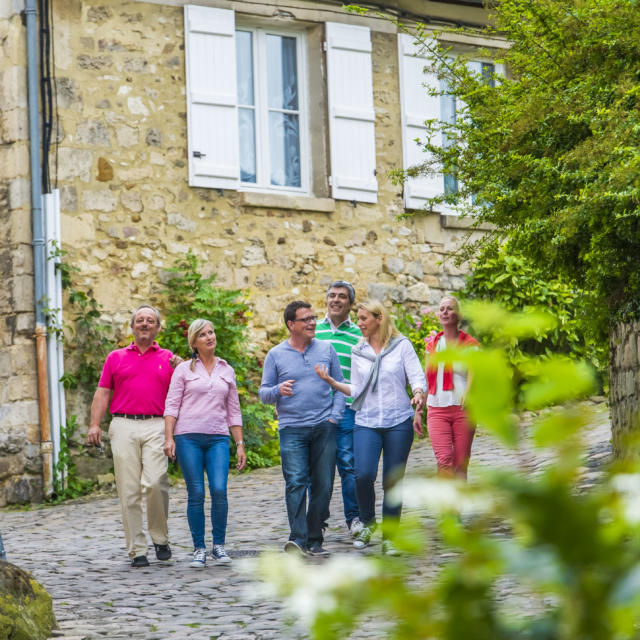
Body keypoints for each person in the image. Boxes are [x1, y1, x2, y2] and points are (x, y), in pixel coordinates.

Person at [315, 300, 426, 555]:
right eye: (360, 318)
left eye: (364, 318)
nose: (360, 323)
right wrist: (332, 381)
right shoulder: (358, 351)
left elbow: (416, 377)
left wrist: (418, 393)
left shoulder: (401, 346)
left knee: (392, 481)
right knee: (362, 475)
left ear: (379, 318)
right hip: (366, 421)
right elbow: (356, 389)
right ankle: (367, 523)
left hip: (398, 420)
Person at [87, 305, 178, 568]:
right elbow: (103, 392)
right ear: (132, 326)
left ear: (158, 327)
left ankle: (160, 538)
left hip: (156, 424)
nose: (145, 324)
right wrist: (95, 424)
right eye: (140, 320)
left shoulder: (168, 358)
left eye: (151, 321)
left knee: (155, 482)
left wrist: (184, 368)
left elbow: (183, 392)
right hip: (123, 424)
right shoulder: (115, 357)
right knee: (128, 489)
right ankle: (137, 549)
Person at [259, 301, 346, 556]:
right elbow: (263, 393)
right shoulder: (276, 355)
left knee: (324, 484)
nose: (312, 323)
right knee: (296, 481)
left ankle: (315, 536)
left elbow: (339, 385)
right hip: (292, 429)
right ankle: (297, 539)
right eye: (306, 319)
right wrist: (278, 391)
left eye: (313, 318)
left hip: (324, 426)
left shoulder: (326, 349)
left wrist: (335, 417)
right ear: (291, 325)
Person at [163, 319, 246, 569]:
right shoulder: (183, 370)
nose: (209, 337)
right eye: (203, 334)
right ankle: (199, 548)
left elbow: (234, 410)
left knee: (219, 489)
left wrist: (239, 443)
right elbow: (171, 405)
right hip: (188, 437)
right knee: (196, 493)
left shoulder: (226, 369)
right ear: (194, 342)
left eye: (211, 332)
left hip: (218, 438)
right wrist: (169, 438)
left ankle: (218, 545)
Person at [315, 280, 363, 538]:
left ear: (350, 303)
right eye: (332, 295)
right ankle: (317, 522)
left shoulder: (359, 335)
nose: (336, 300)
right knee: (319, 470)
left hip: (347, 409)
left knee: (348, 465)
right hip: (318, 411)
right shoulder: (313, 331)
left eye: (342, 296)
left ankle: (354, 518)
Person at [416, 295, 479, 480]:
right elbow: (428, 379)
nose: (445, 312)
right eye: (442, 308)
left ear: (458, 315)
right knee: (444, 462)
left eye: (449, 308)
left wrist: (468, 393)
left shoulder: (470, 345)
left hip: (463, 410)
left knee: (460, 463)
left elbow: (473, 373)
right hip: (437, 410)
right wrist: (419, 411)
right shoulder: (432, 346)